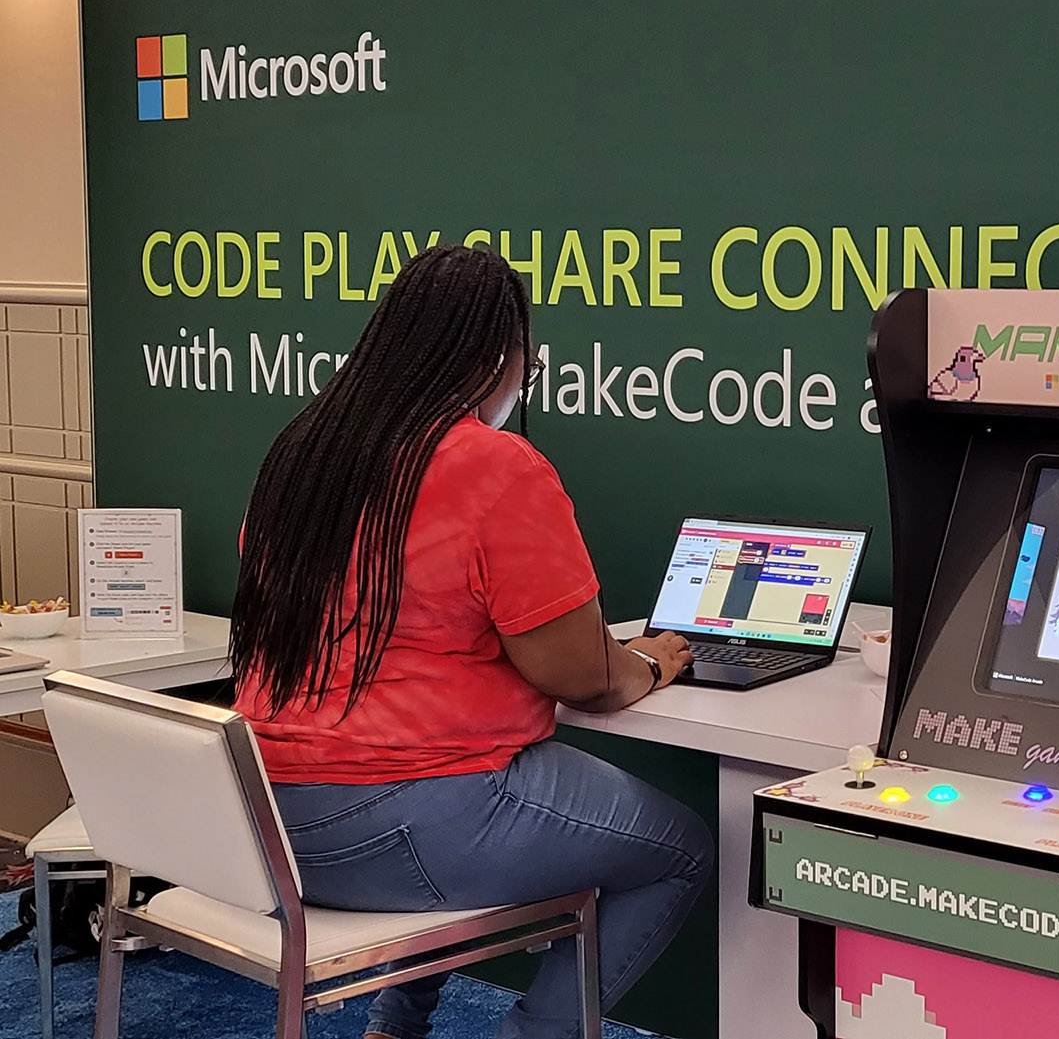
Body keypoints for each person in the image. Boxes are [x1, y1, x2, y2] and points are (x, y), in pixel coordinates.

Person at [230, 245, 711, 1039]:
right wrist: (650, 662)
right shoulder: (495, 467)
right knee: (680, 847)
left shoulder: (303, 452)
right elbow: (583, 675)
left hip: (265, 819)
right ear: (499, 356)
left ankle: (395, 1027)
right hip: (407, 822)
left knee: (483, 795)